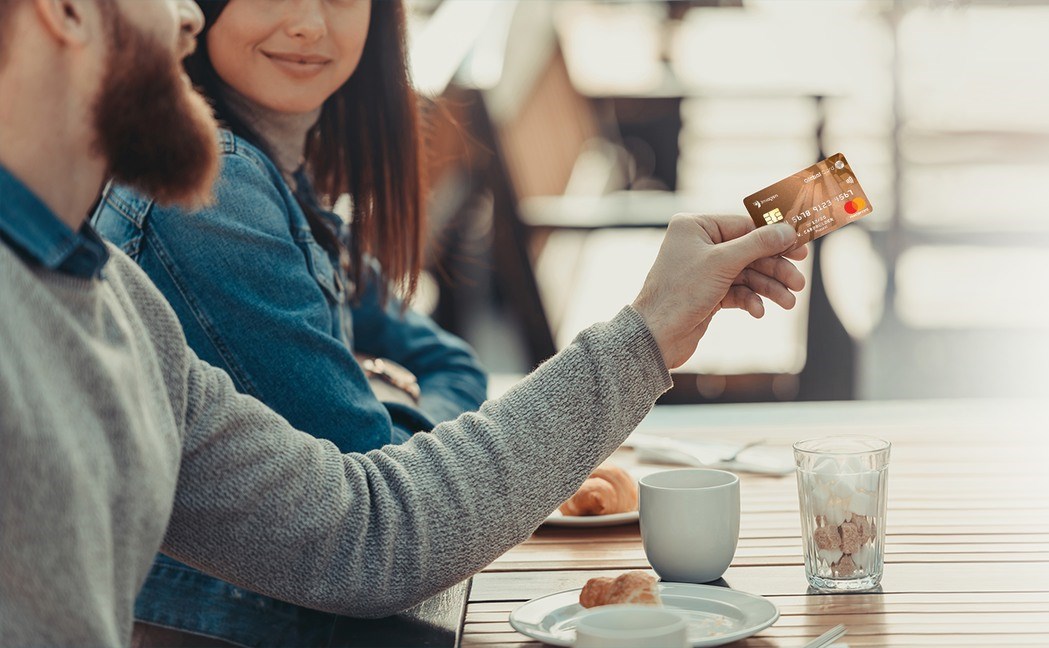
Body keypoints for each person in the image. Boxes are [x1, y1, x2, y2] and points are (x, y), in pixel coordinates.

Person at [0, 0, 805, 645]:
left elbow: (370, 531)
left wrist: (654, 327)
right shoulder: (184, 221)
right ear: (65, 9)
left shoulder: (119, 306)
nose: (187, 17)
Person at [90, 2, 488, 642]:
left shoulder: (290, 180)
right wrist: (398, 414)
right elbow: (393, 511)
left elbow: (456, 365)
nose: (308, 23)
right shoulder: (214, 189)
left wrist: (395, 428)